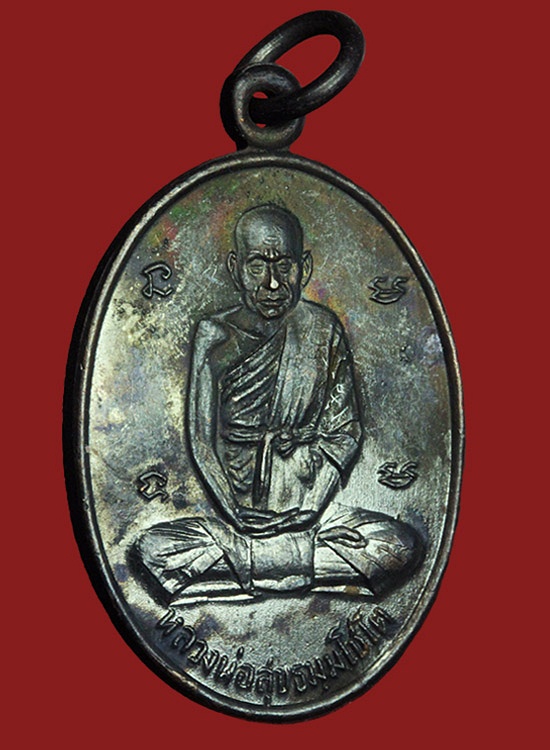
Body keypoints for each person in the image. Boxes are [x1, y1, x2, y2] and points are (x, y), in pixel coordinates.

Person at [136, 205, 424, 598]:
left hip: (310, 511)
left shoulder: (323, 328)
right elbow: (200, 442)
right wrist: (234, 514)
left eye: (283, 266)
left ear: (304, 268)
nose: (272, 283)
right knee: (154, 549)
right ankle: (294, 566)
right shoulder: (214, 335)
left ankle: (245, 570)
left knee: (398, 546)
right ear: (236, 268)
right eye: (257, 266)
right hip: (236, 519)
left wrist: (312, 509)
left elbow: (345, 432)